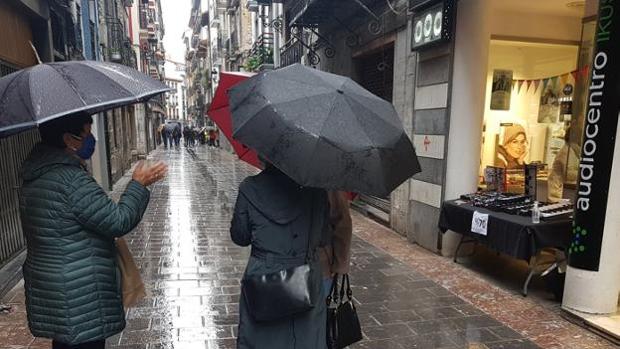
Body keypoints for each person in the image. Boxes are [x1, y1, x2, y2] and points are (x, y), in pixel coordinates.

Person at [19, 113, 168, 349]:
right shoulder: (71, 180)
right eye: (87, 133)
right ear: (69, 139)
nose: (91, 139)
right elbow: (118, 221)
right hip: (80, 293)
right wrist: (138, 184)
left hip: (54, 288)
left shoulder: (35, 173)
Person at [230, 160, 330, 349]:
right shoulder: (317, 191)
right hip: (306, 277)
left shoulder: (249, 188)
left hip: (264, 276)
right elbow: (323, 238)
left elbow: (240, 237)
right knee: (307, 339)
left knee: (261, 340)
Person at [319, 191, 353, 295]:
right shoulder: (327, 180)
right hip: (320, 264)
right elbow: (342, 222)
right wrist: (340, 264)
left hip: (276, 267)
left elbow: (342, 222)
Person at [548, 127, 580, 202]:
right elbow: (570, 174)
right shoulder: (566, 152)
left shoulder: (574, 150)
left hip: (560, 192)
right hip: (558, 193)